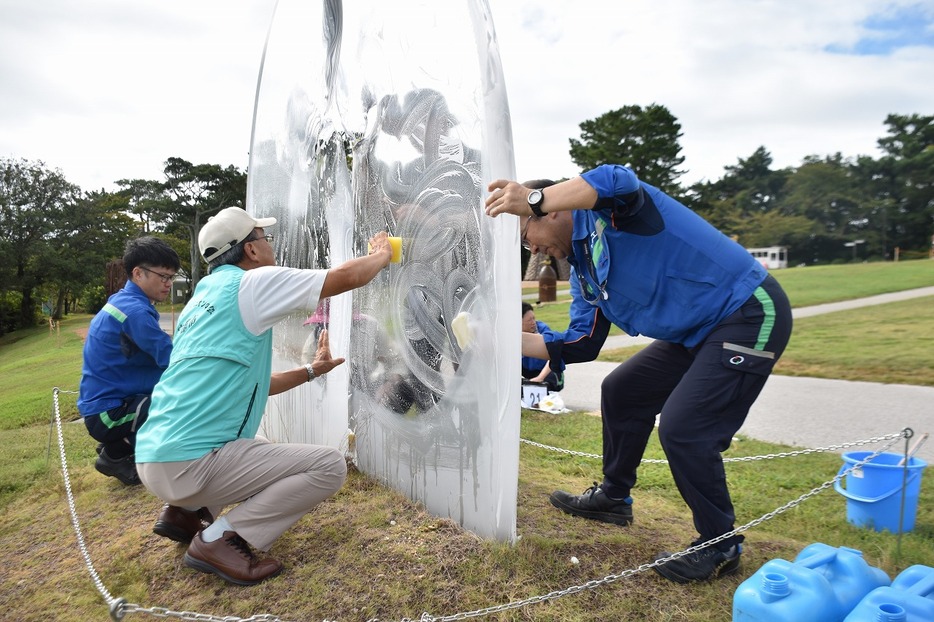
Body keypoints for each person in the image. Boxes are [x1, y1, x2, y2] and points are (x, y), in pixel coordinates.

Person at [485, 164, 792, 583]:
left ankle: (721, 544)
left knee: (685, 428)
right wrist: (500, 339)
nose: (534, 252)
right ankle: (614, 498)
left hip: (748, 311)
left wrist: (533, 198)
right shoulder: (583, 272)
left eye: (527, 237)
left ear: (552, 212)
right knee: (622, 390)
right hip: (696, 332)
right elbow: (581, 343)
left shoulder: (611, 210)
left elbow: (617, 177)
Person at [135, 206, 393, 586]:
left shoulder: (199, 302)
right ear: (250, 250)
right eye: (263, 238)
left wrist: (310, 371)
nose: (269, 245)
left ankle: (187, 513)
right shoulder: (251, 284)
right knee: (329, 467)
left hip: (155, 457)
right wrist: (381, 255)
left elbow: (252, 384)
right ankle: (218, 539)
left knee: (256, 442)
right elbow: (344, 277)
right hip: (189, 464)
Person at [78, 236, 181, 487]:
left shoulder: (124, 302)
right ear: (138, 273)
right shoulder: (135, 312)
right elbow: (173, 358)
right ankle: (115, 453)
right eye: (163, 277)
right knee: (181, 402)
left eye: (172, 277)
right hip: (108, 413)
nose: (168, 284)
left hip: (105, 403)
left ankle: (118, 443)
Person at [521, 302, 564, 393]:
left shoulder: (543, 330)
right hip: (526, 371)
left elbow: (553, 357)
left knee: (547, 383)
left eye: (534, 318)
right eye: (529, 320)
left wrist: (540, 378)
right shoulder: (513, 335)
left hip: (546, 370)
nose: (533, 323)